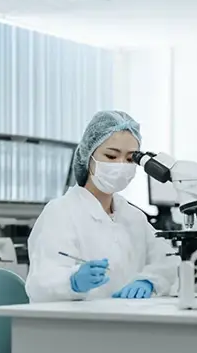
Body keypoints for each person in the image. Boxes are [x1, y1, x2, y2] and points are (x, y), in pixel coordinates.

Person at [25, 110, 179, 302]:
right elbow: (40, 284)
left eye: (130, 158)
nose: (121, 165)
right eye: (111, 156)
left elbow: (168, 261)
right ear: (88, 156)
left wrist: (149, 281)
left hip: (127, 319)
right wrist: (72, 281)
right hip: (75, 325)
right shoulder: (61, 212)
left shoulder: (132, 216)